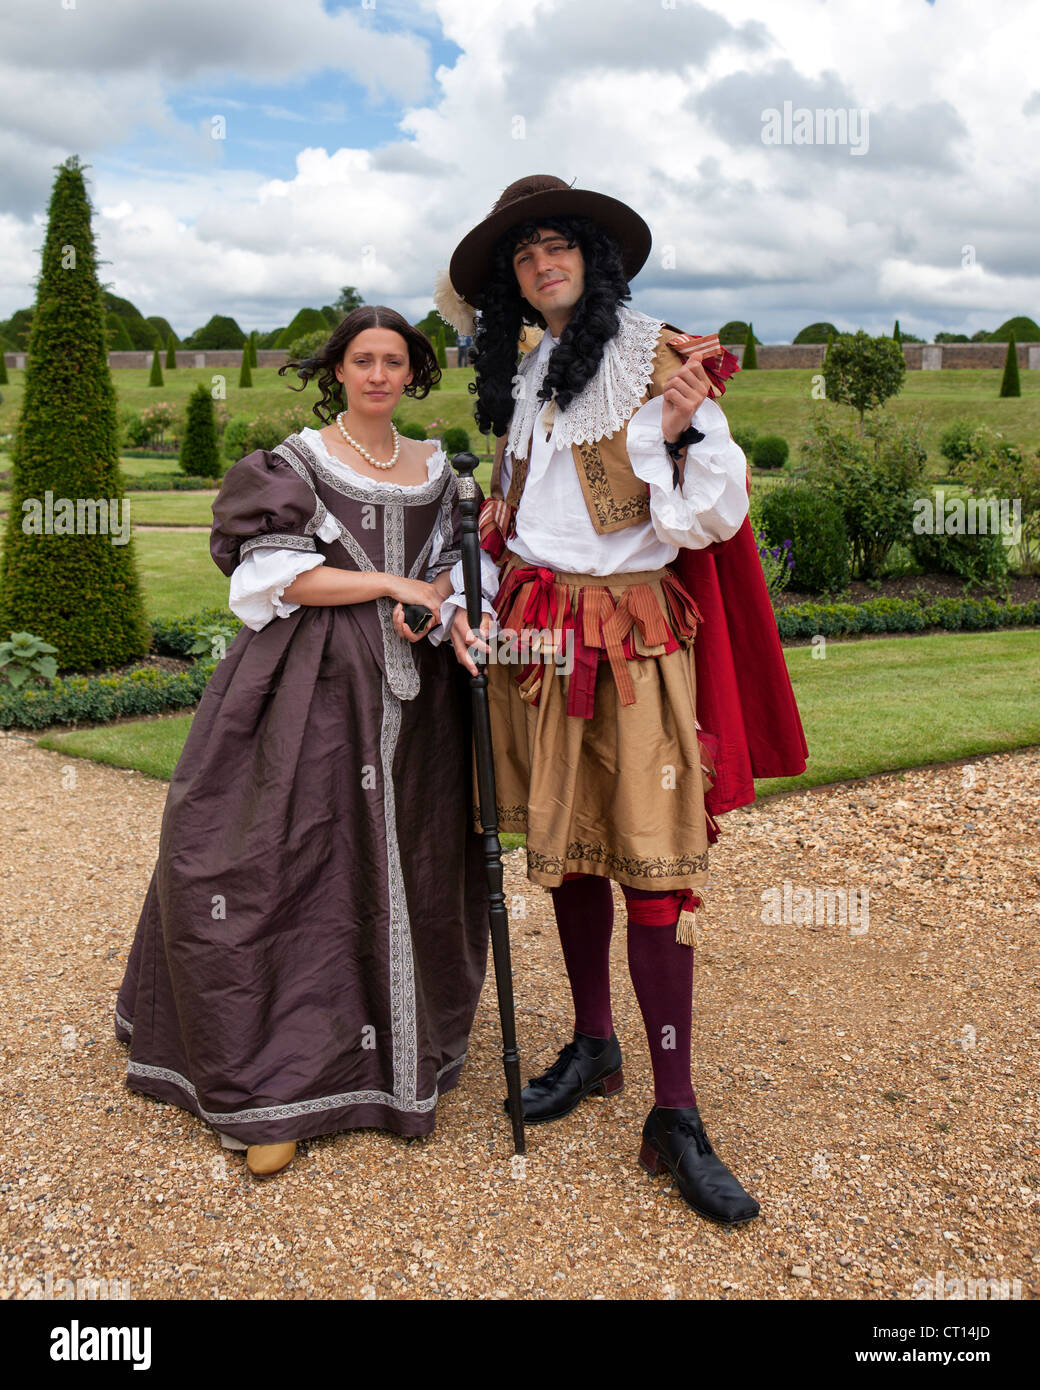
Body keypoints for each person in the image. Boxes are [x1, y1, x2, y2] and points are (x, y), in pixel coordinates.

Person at [430, 176, 808, 1225]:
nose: (541, 264)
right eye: (522, 256)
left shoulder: (661, 360)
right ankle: (595, 1044)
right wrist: (468, 589)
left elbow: (708, 519)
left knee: (654, 867)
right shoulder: (527, 372)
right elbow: (516, 517)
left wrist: (679, 428)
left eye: (557, 245)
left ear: (592, 257)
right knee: (569, 848)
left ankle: (675, 1111)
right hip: (537, 632)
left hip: (632, 634)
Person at [115, 305, 491, 1178]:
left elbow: (453, 568)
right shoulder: (294, 463)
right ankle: (274, 1082)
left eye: (394, 361)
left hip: (417, 704)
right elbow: (277, 578)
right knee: (284, 864)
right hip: (305, 695)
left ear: (414, 372)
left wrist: (442, 600)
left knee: (410, 861)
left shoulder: (441, 468)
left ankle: (399, 1053)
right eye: (362, 360)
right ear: (337, 371)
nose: (378, 375)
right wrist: (391, 582)